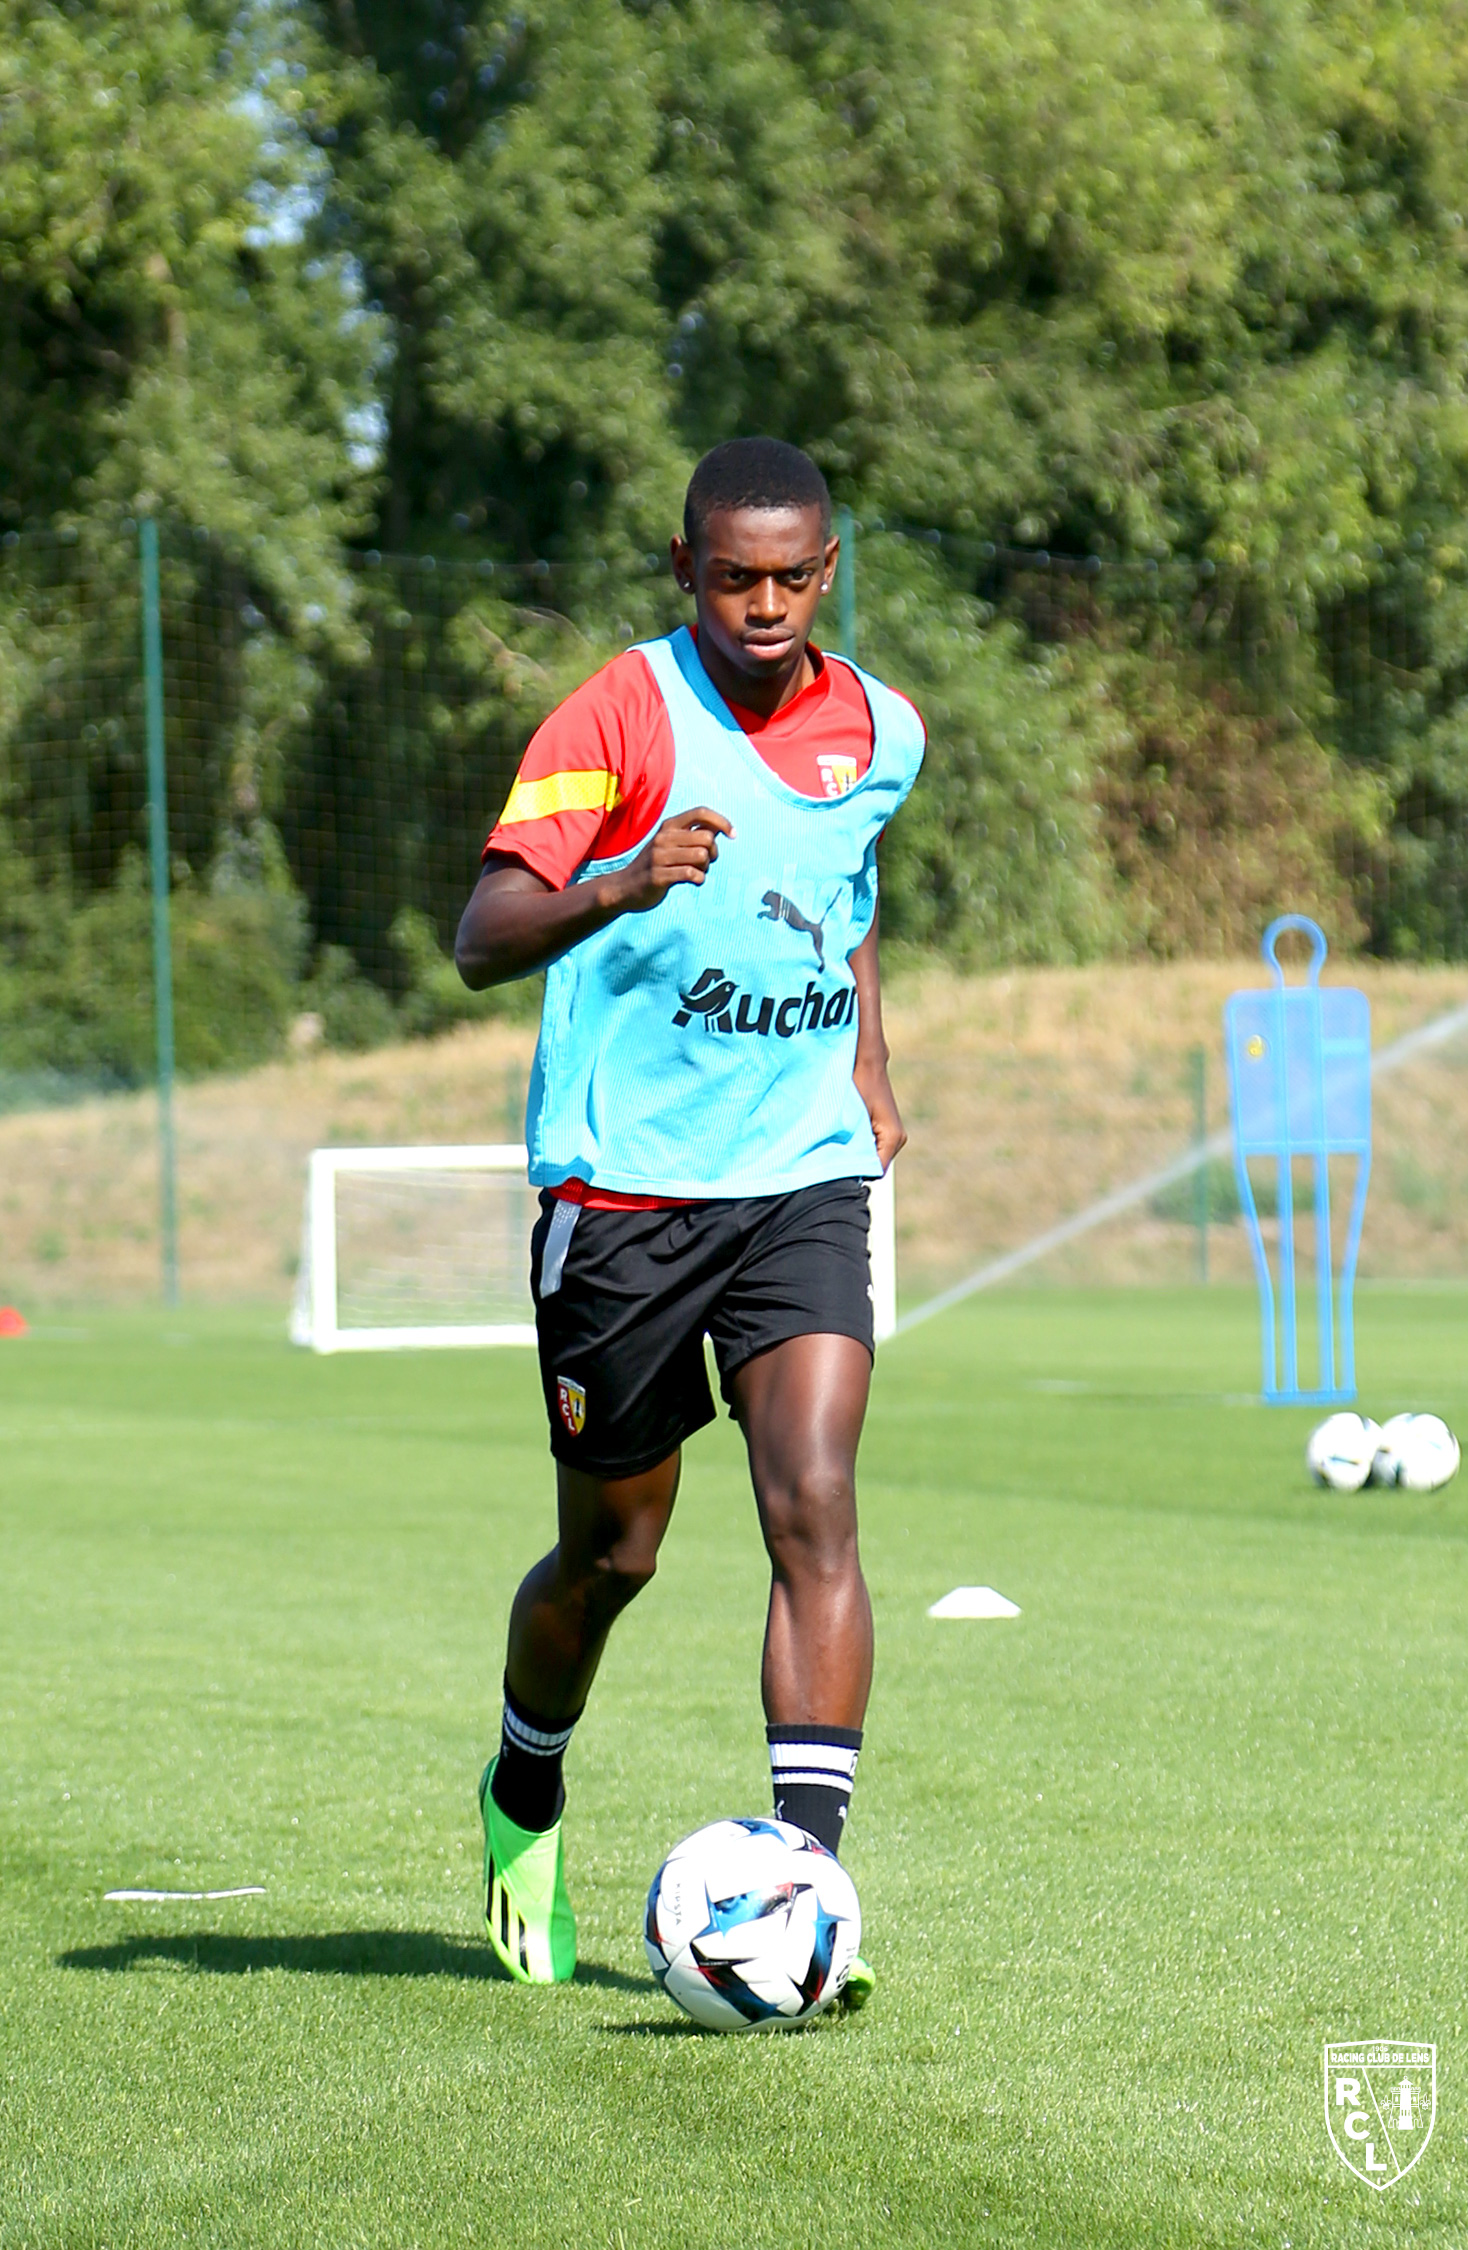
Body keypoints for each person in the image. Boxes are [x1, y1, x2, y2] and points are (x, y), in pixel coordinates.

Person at [454, 436, 924, 1998]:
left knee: (816, 1497)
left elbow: (844, 904)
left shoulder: (884, 731)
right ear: (685, 569)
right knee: (616, 1552)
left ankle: (804, 1884)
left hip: (799, 1172)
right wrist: (623, 881)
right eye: (737, 576)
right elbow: (483, 930)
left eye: (795, 576)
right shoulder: (618, 714)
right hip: (625, 1195)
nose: (767, 604)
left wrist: (867, 1063)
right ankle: (525, 1792)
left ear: (830, 569)